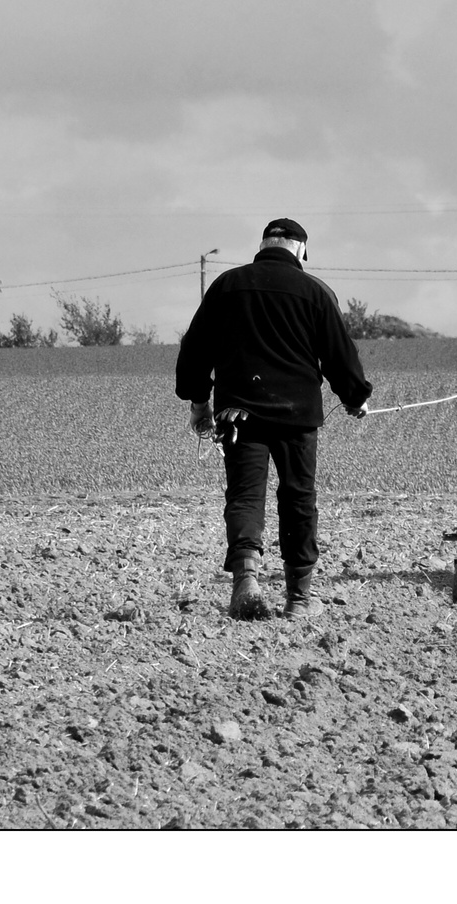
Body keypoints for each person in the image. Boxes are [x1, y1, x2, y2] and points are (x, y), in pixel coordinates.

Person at [176, 218, 372, 620]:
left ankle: (246, 575)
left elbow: (194, 351)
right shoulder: (315, 292)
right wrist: (355, 398)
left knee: (246, 496)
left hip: (239, 413)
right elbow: (339, 354)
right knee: (298, 498)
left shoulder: (226, 286)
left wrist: (200, 402)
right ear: (301, 250)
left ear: (264, 245)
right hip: (297, 418)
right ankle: (299, 598)